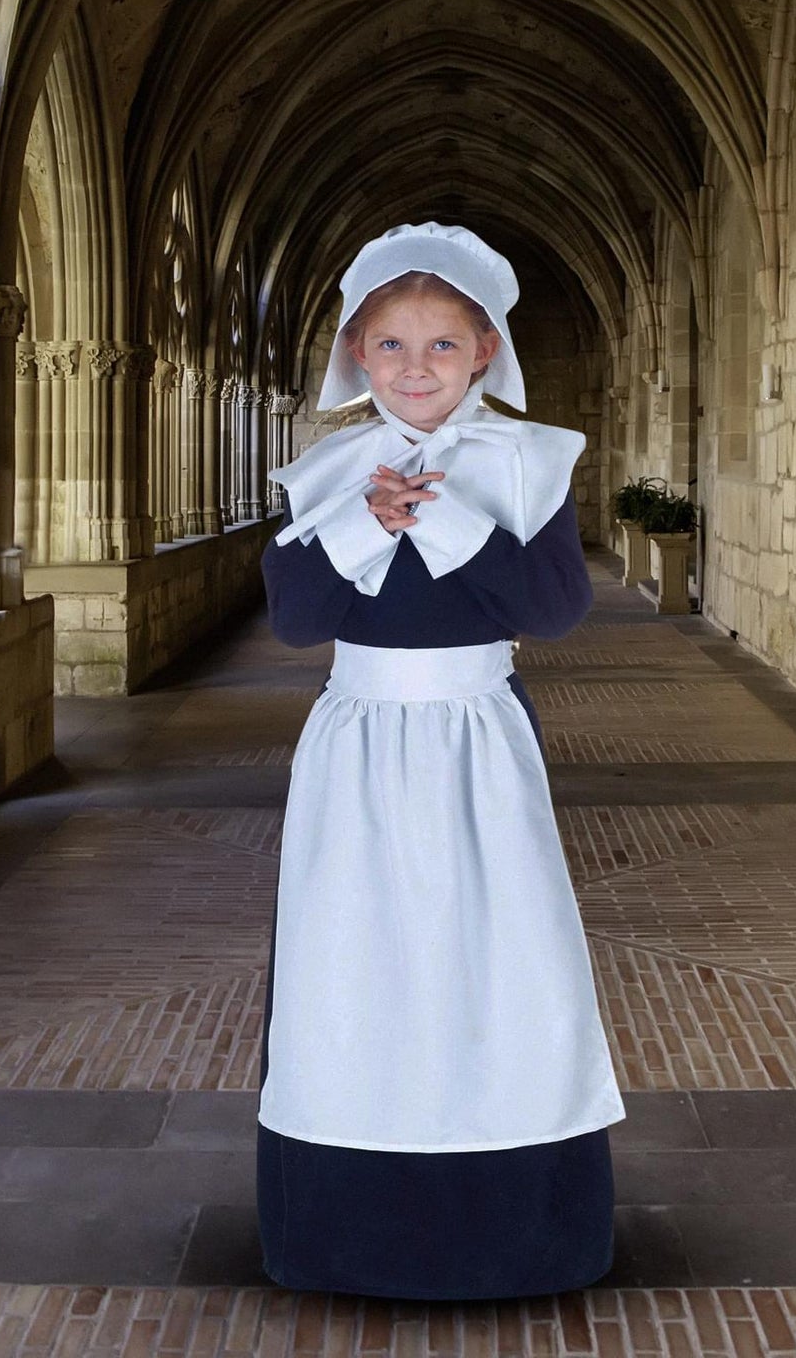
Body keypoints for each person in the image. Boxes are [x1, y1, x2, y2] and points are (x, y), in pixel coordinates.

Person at [255, 221, 623, 1300]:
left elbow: (552, 610)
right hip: (357, 747)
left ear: (488, 356)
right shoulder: (329, 468)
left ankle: (520, 1235)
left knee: (499, 971)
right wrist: (363, 522)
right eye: (392, 347)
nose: (416, 371)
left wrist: (453, 518)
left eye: (443, 348)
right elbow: (293, 619)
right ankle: (339, 1233)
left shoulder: (528, 461)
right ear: (356, 356)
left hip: (476, 743)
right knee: (348, 978)